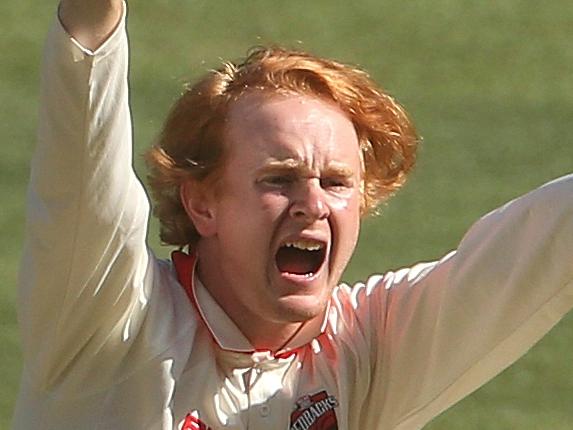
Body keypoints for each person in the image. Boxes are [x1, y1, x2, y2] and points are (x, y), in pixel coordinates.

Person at [13, 1, 573, 429]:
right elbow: (84, 152)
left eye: (336, 183)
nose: (313, 204)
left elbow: (542, 244)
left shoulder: (367, 348)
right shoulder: (108, 318)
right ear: (202, 202)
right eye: (278, 180)